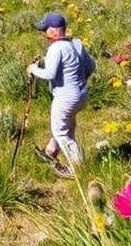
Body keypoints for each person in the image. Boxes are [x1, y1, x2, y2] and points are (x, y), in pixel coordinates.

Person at [26, 12, 95, 177]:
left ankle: (78, 169)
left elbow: (49, 74)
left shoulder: (56, 47)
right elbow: (91, 66)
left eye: (45, 30)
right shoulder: (76, 43)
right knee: (67, 125)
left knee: (61, 132)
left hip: (65, 97)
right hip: (81, 95)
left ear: (55, 31)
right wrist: (79, 79)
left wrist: (33, 69)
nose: (44, 33)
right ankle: (51, 150)